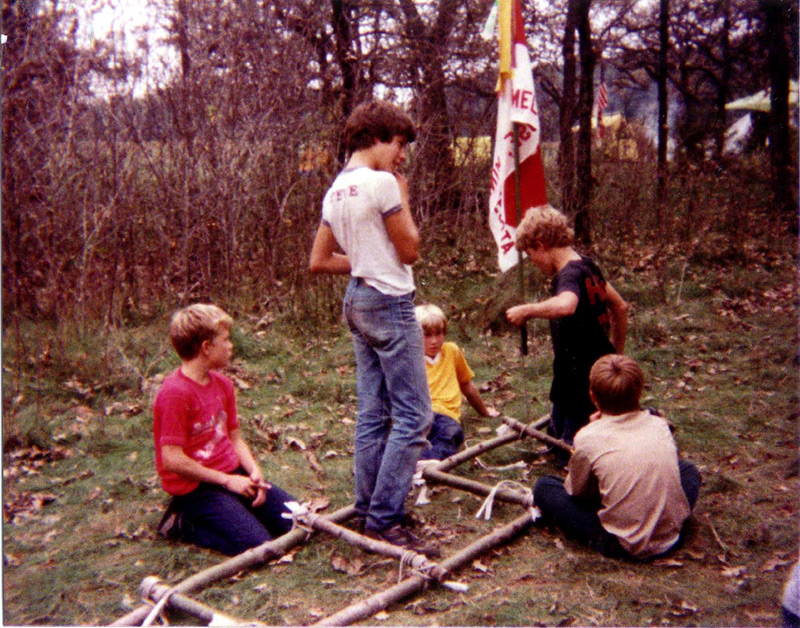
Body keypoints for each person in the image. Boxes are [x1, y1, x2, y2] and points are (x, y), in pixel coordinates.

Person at [309, 100, 434, 553]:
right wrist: (403, 195)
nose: (402, 155)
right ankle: (384, 518)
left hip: (357, 299)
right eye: (399, 144)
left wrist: (364, 259)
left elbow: (319, 260)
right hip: (389, 302)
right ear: (377, 137)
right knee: (415, 416)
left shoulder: (335, 190)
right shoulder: (382, 183)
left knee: (373, 413)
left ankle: (368, 508)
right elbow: (411, 250)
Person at [153, 303, 297, 556]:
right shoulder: (175, 393)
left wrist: (254, 471)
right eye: (226, 340)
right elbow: (172, 459)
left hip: (232, 473)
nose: (231, 346)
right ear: (206, 347)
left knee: (297, 520)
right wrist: (228, 481)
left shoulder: (223, 384)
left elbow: (234, 437)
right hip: (196, 487)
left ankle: (237, 511)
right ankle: (183, 523)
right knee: (261, 546)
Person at [533, 354, 702, 560]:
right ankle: (661, 522)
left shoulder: (588, 436)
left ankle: (628, 526)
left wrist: (592, 432)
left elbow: (577, 492)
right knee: (688, 469)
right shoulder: (659, 424)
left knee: (544, 486)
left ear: (593, 396)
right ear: (639, 392)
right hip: (672, 536)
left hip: (622, 544)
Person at [505, 205, 628, 465]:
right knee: (556, 435)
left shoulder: (569, 275)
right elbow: (620, 307)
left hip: (580, 383)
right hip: (579, 376)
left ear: (541, 245)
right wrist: (616, 355)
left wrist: (527, 310)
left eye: (531, 255)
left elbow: (566, 305)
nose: (534, 263)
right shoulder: (588, 266)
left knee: (570, 456)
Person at [414, 304, 499, 461]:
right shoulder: (410, 358)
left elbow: (467, 386)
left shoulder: (452, 351)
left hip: (447, 415)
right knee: (413, 438)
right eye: (427, 335)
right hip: (420, 413)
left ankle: (429, 464)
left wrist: (484, 411)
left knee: (449, 433)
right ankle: (417, 463)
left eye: (438, 334)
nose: (434, 341)